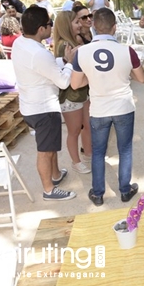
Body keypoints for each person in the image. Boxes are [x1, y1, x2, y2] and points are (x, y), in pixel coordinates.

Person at [71, 8, 144, 206]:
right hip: (123, 106)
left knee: (98, 152)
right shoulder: (126, 51)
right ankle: (125, 189)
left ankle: (97, 193)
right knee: (125, 149)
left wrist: (94, 77)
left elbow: (75, 84)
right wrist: (124, 74)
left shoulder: (81, 53)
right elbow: (142, 78)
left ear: (94, 27)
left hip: (99, 109)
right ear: (115, 27)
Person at [11, 6, 77, 201]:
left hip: (30, 104)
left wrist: (61, 60)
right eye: (49, 24)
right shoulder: (39, 54)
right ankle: (49, 190)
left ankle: (56, 175)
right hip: (43, 109)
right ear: (41, 29)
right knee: (46, 151)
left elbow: (41, 69)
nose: (51, 28)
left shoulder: (19, 43)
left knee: (51, 145)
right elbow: (64, 81)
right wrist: (70, 63)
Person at [52, 11, 92, 175]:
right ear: (67, 25)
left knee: (88, 126)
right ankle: (76, 162)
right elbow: (63, 73)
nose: (80, 24)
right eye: (76, 22)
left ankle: (89, 153)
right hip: (70, 96)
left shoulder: (75, 41)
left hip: (83, 93)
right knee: (74, 130)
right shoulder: (65, 46)